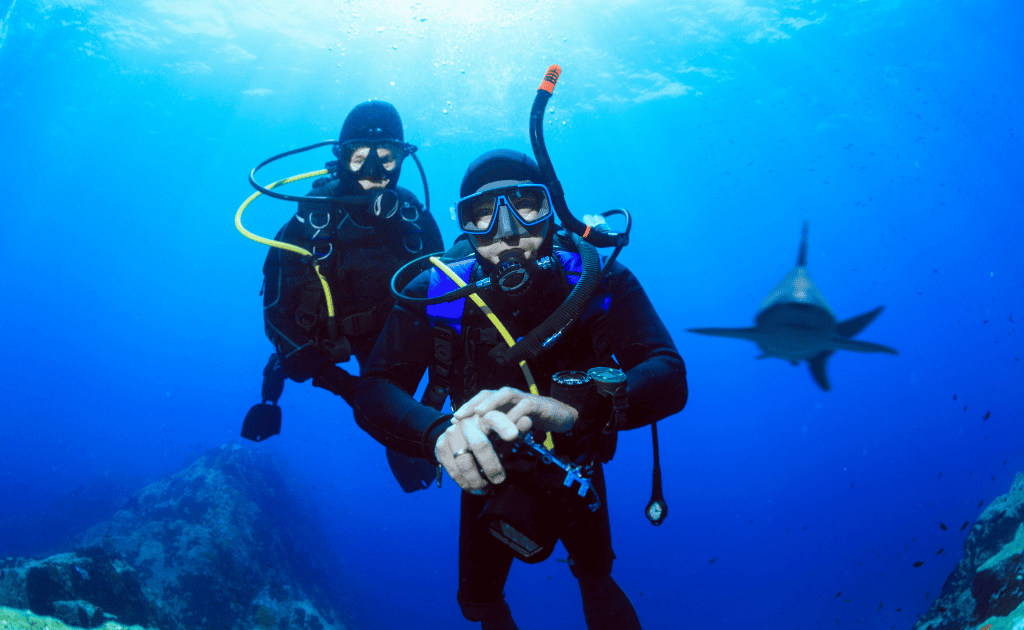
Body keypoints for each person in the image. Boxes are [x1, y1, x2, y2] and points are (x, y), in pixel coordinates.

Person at [353, 149, 688, 629]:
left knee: (595, 573)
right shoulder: (439, 291)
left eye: (526, 204)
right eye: (482, 213)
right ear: (465, 224)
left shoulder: (597, 280)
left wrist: (575, 411)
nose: (507, 230)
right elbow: (375, 389)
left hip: (577, 460)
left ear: (553, 208)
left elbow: (669, 374)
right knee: (479, 601)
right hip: (487, 464)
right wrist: (437, 434)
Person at [244, 100, 444, 491]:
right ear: (341, 157)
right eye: (359, 158)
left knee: (395, 400)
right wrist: (342, 384)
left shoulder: (414, 221)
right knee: (299, 365)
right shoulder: (309, 223)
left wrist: (435, 394)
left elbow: (445, 295)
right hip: (325, 338)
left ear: (403, 158)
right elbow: (274, 312)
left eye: (386, 158)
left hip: (390, 333)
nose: (373, 172)